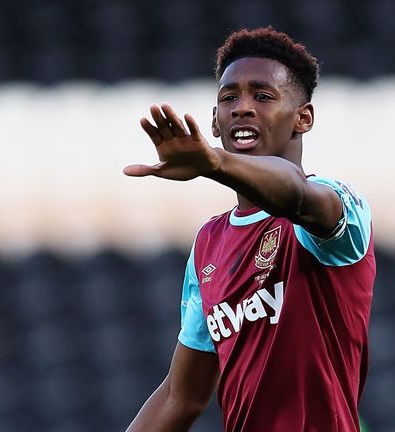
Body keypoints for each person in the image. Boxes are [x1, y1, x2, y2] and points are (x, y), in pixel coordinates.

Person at [124, 27, 376, 432]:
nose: (242, 107)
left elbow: (295, 193)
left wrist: (217, 165)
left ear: (303, 118)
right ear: (215, 122)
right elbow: (181, 396)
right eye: (229, 98)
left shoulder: (334, 206)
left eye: (262, 96)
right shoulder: (210, 244)